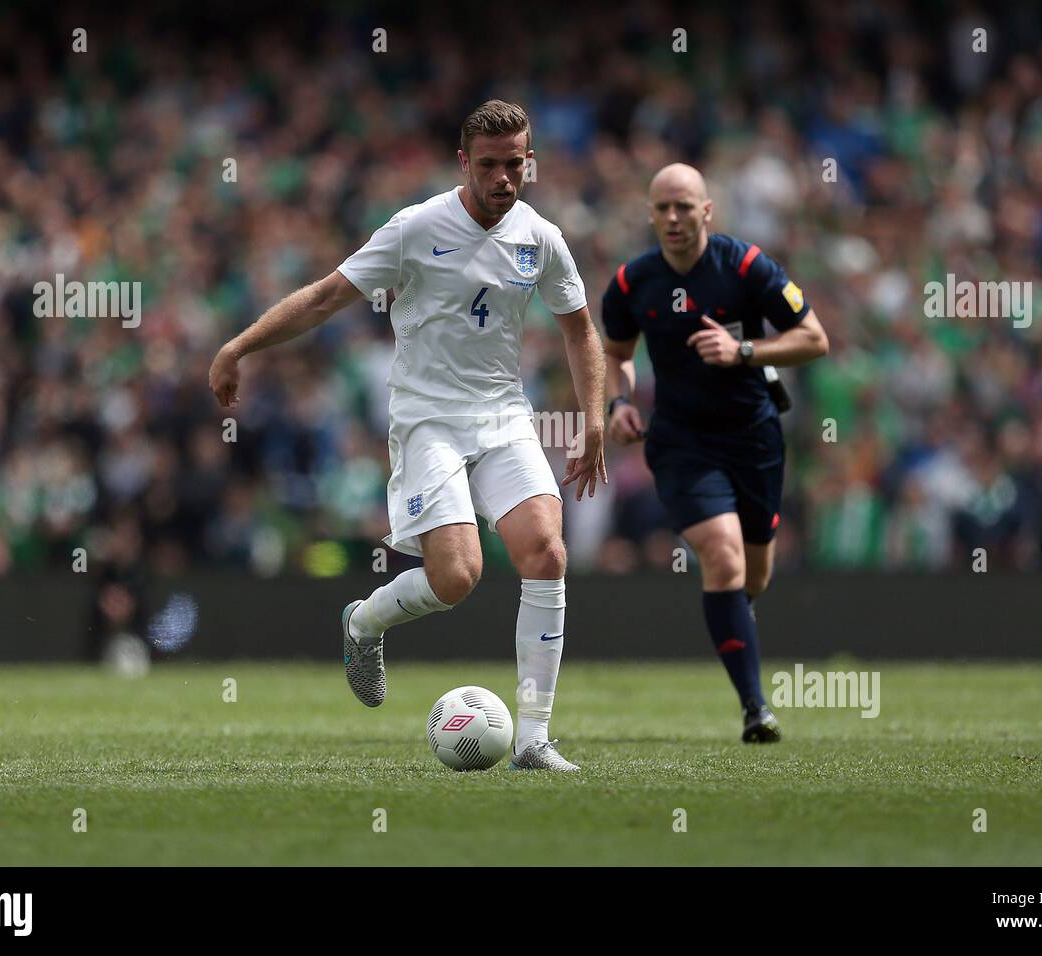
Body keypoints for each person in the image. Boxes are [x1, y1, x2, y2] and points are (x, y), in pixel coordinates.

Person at [208, 100, 606, 771]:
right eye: (490, 165)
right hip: (428, 422)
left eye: (516, 164)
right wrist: (239, 347)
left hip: (503, 416)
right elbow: (326, 297)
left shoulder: (540, 237)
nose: (505, 178)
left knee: (546, 553)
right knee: (457, 578)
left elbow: (578, 329)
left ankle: (534, 740)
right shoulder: (416, 228)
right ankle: (363, 621)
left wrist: (594, 415)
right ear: (463, 163)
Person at [600, 163, 829, 743]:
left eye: (684, 207)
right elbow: (617, 354)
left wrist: (743, 349)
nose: (673, 218)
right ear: (650, 215)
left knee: (755, 572)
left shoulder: (746, 267)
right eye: (662, 209)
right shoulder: (631, 284)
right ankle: (756, 708)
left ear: (708, 211)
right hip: (681, 442)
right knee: (722, 557)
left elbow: (814, 339)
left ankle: (733, 620)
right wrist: (618, 403)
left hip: (753, 436)